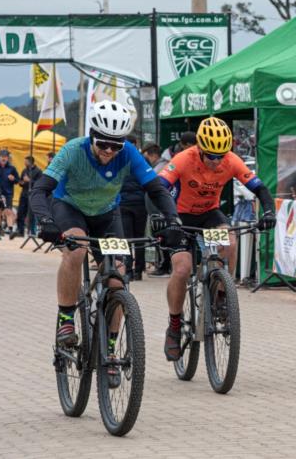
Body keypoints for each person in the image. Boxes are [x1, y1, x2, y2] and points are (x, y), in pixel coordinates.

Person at [30, 100, 182, 360]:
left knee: (117, 278)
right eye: (103, 144)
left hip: (107, 215)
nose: (109, 150)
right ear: (92, 137)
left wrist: (173, 220)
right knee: (76, 250)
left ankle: (110, 349)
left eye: (116, 145)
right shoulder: (72, 150)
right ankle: (66, 317)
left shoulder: (129, 153)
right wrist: (45, 221)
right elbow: (39, 189)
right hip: (70, 208)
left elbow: (156, 189)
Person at [158, 117, 276, 361]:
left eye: (221, 155)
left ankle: (222, 297)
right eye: (211, 155)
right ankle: (175, 325)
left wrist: (269, 212)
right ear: (199, 148)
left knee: (230, 242)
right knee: (182, 269)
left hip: (209, 213)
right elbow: (159, 186)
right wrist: (162, 217)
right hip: (179, 215)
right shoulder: (182, 159)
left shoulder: (231, 160)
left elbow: (260, 188)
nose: (216, 161)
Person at [119, 135, 148, 281]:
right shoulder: (142, 160)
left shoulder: (118, 160)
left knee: (127, 239)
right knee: (140, 238)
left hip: (123, 204)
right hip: (140, 204)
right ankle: (139, 271)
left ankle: (128, 271)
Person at [142, 144, 171, 277]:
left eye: (147, 156)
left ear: (153, 155)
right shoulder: (162, 165)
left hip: (160, 208)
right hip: (160, 207)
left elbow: (158, 189)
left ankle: (165, 266)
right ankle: (164, 265)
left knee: (162, 236)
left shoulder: (161, 166)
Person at [12, 155, 42, 239]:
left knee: (32, 213)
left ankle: (32, 231)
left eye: (26, 161)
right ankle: (20, 231)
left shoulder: (38, 171)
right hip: (24, 194)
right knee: (21, 212)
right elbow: (22, 182)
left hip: (33, 194)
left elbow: (39, 183)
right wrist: (21, 182)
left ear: (30, 162)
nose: (24, 163)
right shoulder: (24, 170)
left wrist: (29, 181)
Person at [0, 149, 20, 236]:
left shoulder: (12, 168)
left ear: (8, 158)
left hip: (8, 193)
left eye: (5, 157)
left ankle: (10, 231)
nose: (4, 158)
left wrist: (14, 179)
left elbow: (18, 180)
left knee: (8, 211)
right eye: (2, 156)